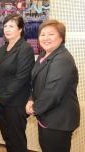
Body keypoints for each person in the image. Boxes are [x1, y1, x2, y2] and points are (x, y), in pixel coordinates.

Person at [26, 20, 80, 152]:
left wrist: (34, 108)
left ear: (62, 37)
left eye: (51, 34)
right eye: (42, 34)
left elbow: (53, 92)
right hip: (47, 116)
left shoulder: (62, 59)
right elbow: (37, 82)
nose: (46, 38)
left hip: (58, 121)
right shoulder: (44, 54)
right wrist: (31, 99)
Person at [0, 14, 34, 152]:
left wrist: (1, 97)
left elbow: (21, 78)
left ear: (20, 29)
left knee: (17, 141)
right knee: (8, 138)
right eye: (5, 26)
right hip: (2, 103)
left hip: (16, 104)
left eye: (11, 26)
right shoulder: (3, 48)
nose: (7, 29)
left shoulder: (25, 48)